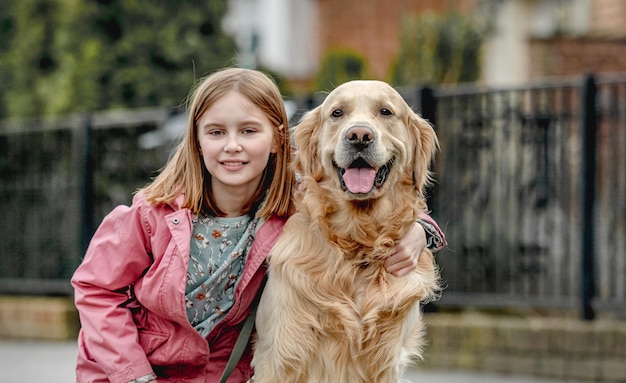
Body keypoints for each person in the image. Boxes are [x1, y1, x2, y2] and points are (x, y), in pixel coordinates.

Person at [71, 67, 446, 383]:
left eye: (249, 132)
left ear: (279, 141)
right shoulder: (150, 215)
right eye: (216, 132)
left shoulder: (285, 212)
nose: (232, 145)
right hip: (131, 373)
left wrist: (421, 231)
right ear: (197, 142)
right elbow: (95, 289)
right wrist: (134, 375)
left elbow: (376, 209)